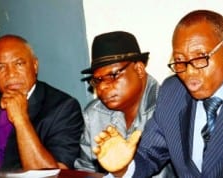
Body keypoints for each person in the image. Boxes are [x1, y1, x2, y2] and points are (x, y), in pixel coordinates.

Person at [92, 10, 223, 178]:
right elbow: (149, 154)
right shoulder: (173, 91)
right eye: (180, 61)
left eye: (200, 58)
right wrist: (122, 169)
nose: (189, 73)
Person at [0, 34, 84, 177]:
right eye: (1, 67)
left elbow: (50, 176)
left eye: (19, 64)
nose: (11, 74)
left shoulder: (63, 108)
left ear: (35, 65)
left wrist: (21, 120)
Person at [74, 31, 176, 178]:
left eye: (113, 75)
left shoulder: (169, 108)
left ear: (139, 69)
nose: (102, 87)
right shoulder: (94, 113)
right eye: (98, 80)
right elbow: (85, 170)